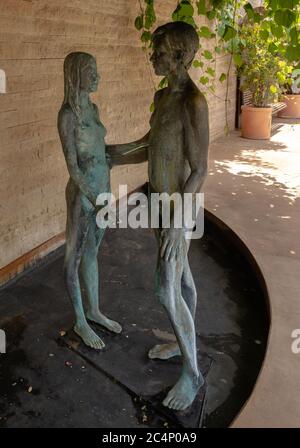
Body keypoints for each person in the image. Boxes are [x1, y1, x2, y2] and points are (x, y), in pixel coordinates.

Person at [107, 22, 209, 411]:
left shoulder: (193, 103)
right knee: (182, 279)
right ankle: (181, 341)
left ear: (181, 56)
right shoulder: (162, 96)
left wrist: (178, 223)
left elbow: (200, 169)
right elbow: (151, 145)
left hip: (178, 210)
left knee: (165, 289)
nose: (153, 57)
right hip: (160, 204)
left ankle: (193, 374)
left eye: (160, 51)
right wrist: (112, 153)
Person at [58, 52, 128, 349]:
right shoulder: (68, 116)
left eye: (97, 70)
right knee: (73, 258)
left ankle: (94, 311)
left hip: (103, 191)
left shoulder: (94, 109)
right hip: (83, 196)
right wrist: (94, 199)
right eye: (91, 71)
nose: (97, 76)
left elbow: (102, 152)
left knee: (92, 252)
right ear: (76, 75)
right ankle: (80, 320)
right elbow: (73, 167)